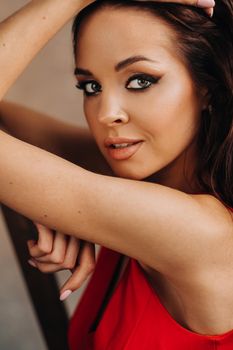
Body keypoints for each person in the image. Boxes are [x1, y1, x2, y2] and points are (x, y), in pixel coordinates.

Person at [0, 0, 232, 348]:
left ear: (206, 88)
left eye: (140, 81)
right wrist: (59, 210)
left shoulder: (201, 232)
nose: (107, 114)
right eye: (90, 87)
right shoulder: (130, 176)